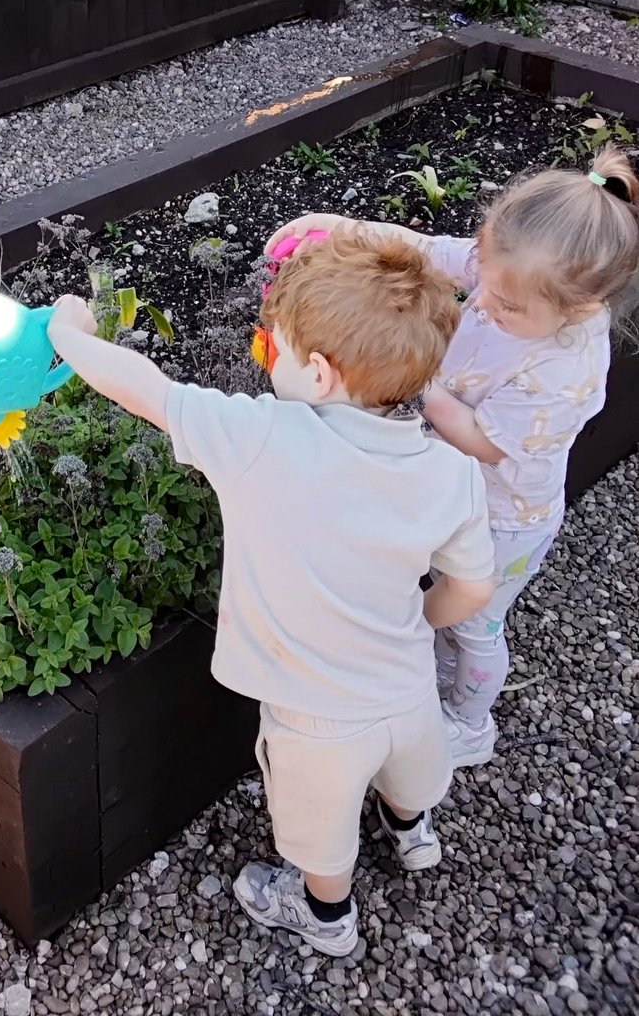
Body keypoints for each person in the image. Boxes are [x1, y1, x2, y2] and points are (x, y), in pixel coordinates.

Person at [48, 228, 495, 957]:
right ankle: (411, 833)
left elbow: (147, 391)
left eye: (269, 349)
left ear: (317, 374)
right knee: (410, 768)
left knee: (318, 827)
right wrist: (418, 618)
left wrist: (69, 333)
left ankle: (324, 917)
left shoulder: (262, 436)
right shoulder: (450, 471)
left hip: (314, 710)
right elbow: (472, 585)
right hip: (407, 678)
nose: (265, 363)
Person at [265, 145, 639, 768]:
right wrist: (343, 231)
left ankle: (468, 723)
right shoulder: (512, 272)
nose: (483, 303)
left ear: (581, 308)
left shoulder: (564, 368)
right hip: (450, 484)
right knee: (441, 597)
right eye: (483, 283)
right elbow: (424, 249)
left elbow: (485, 441)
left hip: (503, 517)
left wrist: (417, 382)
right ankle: (432, 668)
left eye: (508, 307)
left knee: (476, 624)